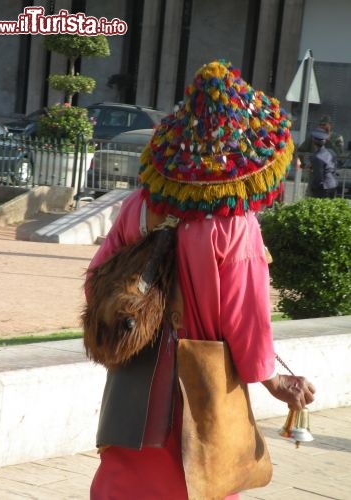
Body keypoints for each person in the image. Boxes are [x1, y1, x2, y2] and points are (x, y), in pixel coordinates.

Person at [84, 59, 316, 500]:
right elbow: (245, 318)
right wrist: (273, 379)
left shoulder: (139, 206)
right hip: (200, 383)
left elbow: (96, 280)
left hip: (133, 372)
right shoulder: (234, 226)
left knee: (124, 480)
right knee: (198, 480)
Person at [309, 128, 338, 198]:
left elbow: (318, 176)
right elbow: (334, 165)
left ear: (313, 142)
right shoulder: (331, 152)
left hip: (323, 187)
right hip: (333, 183)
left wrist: (313, 187)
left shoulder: (317, 157)